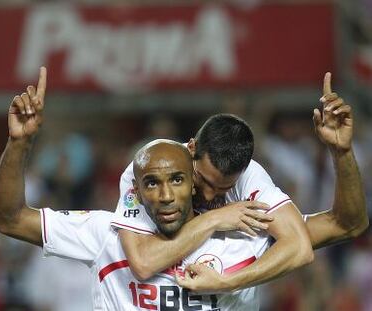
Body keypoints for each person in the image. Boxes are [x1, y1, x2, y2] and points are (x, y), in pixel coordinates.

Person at [110, 72, 368, 288]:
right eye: (204, 181)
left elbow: (322, 237)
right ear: (191, 149)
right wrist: (215, 219)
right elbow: (143, 263)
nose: (210, 197)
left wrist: (341, 151)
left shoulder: (249, 178)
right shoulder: (150, 168)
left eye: (224, 189)